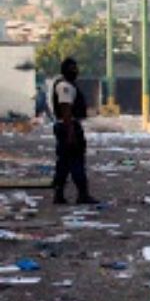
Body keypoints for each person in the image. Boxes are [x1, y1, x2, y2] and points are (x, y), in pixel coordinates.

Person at [50, 58, 97, 205]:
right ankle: (82, 195)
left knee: (63, 163)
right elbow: (66, 110)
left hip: (65, 126)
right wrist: (71, 134)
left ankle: (59, 195)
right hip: (68, 127)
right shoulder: (65, 86)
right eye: (72, 68)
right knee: (76, 161)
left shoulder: (65, 84)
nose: (75, 71)